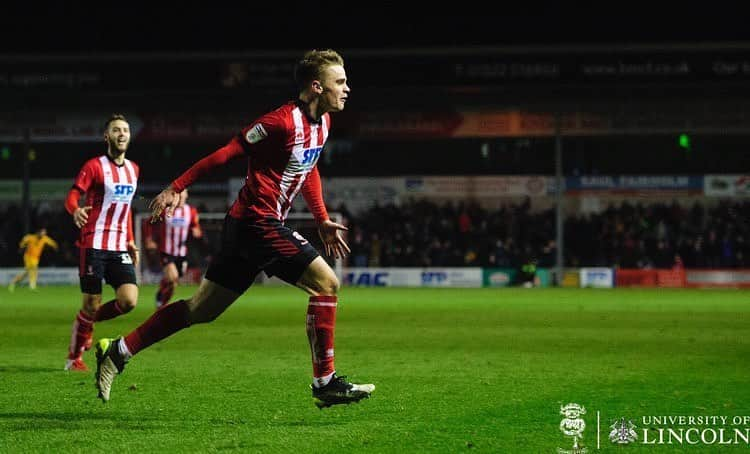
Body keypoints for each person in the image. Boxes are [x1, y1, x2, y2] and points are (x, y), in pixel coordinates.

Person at [94, 49, 375, 408]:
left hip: (247, 227)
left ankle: (119, 351)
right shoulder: (280, 122)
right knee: (327, 283)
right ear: (317, 86)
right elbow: (227, 152)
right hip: (258, 223)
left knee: (200, 310)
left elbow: (309, 168)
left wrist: (320, 217)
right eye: (341, 82)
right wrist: (176, 186)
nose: (347, 88)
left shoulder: (323, 124)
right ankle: (325, 382)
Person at [63, 114, 140, 372]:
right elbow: (73, 195)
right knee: (90, 303)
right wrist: (75, 210)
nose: (122, 134)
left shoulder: (134, 169)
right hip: (93, 243)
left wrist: (130, 240)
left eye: (125, 130)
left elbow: (126, 208)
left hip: (118, 246)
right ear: (107, 137)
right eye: (116, 130)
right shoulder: (94, 166)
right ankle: (73, 358)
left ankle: (88, 322)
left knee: (129, 300)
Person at [147, 189, 202, 309]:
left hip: (181, 253)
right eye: (179, 196)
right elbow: (150, 222)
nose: (181, 198)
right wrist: (150, 238)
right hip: (166, 251)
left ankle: (161, 301)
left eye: (183, 196)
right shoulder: (165, 210)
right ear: (174, 196)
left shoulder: (191, 211)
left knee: (173, 283)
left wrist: (197, 232)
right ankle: (162, 307)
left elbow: (196, 227)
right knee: (173, 279)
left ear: (186, 195)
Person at [7, 227, 59, 292]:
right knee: (34, 269)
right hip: (28, 257)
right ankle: (32, 286)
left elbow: (52, 243)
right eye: (42, 233)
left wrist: (55, 246)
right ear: (38, 232)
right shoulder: (31, 237)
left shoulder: (45, 239)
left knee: (26, 273)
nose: (43, 234)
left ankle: (13, 282)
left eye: (44, 233)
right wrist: (22, 246)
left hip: (36, 258)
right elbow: (24, 240)